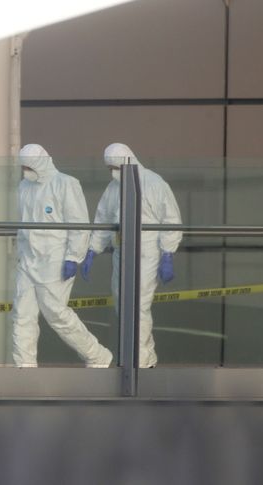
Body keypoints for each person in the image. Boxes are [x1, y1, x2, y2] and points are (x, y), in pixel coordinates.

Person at [81, 142, 182, 368]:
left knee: (138, 305)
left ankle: (139, 362)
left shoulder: (155, 183)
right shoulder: (113, 189)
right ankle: (147, 356)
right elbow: (103, 220)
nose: (112, 172)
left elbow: (171, 220)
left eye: (115, 167)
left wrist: (167, 254)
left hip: (148, 252)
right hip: (121, 251)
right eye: (109, 168)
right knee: (123, 304)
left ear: (128, 162)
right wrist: (92, 250)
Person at [12, 144, 113, 368]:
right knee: (22, 314)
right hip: (28, 259)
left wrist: (72, 257)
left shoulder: (65, 184)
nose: (25, 171)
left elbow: (78, 223)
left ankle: (97, 355)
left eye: (29, 166)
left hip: (54, 259)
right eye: (23, 167)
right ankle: (24, 366)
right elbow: (21, 225)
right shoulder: (24, 187)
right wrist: (20, 253)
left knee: (56, 314)